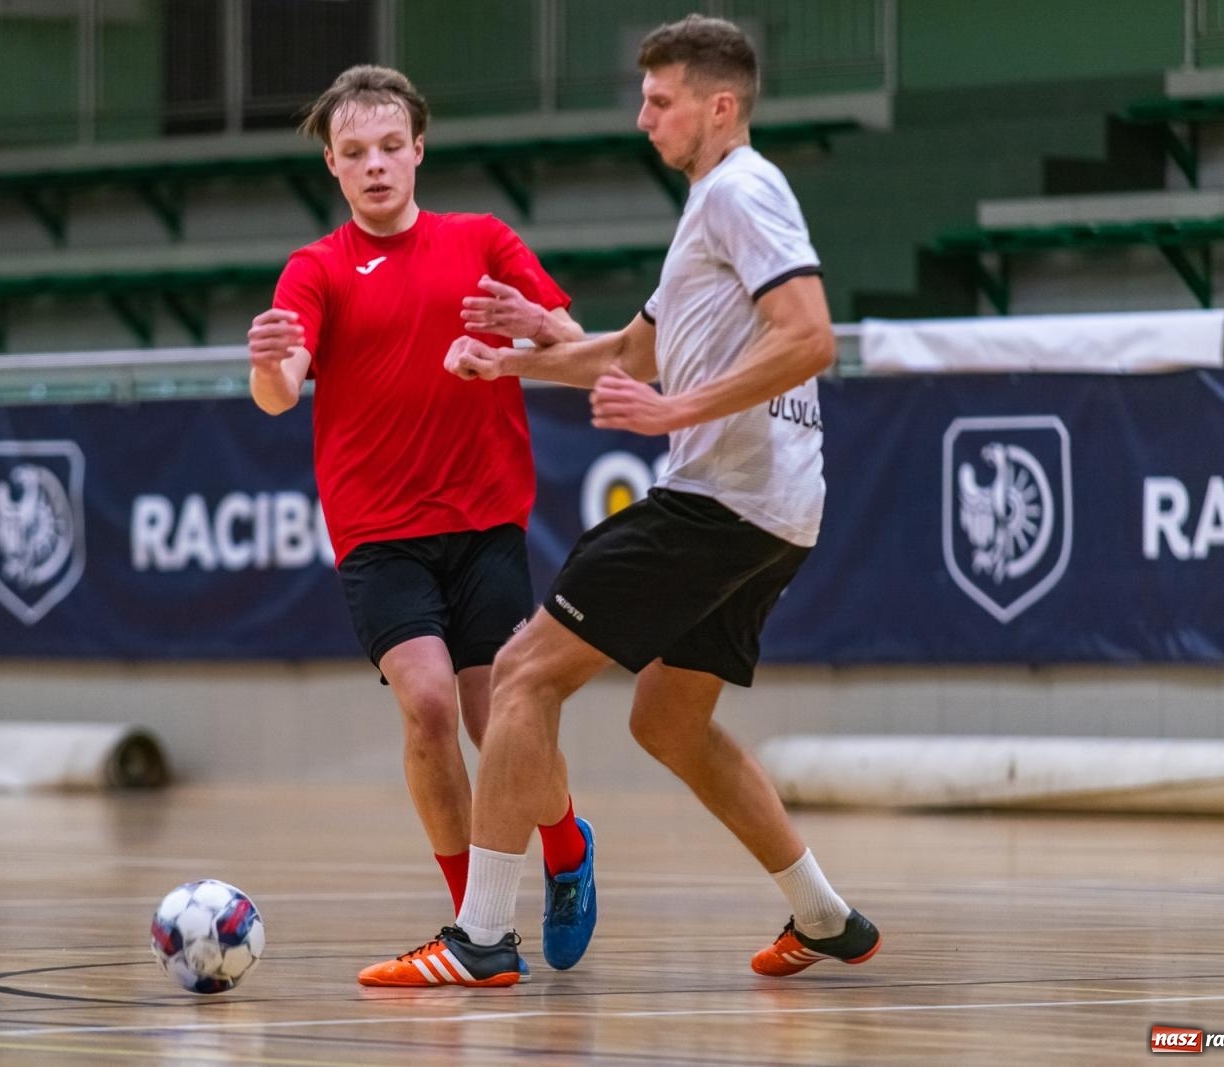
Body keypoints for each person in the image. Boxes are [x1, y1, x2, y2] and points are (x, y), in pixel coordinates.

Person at [358, 15, 880, 988]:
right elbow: (629, 351)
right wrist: (510, 360)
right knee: (666, 721)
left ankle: (478, 937)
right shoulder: (707, 213)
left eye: (661, 98)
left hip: (720, 498)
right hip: (775, 513)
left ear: (719, 106)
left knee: (519, 675)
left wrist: (675, 409)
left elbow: (809, 336)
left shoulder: (742, 190)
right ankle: (827, 916)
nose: (642, 116)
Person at [247, 65, 601, 978]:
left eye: (390, 148)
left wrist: (533, 326)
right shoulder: (316, 268)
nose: (375, 166)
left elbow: (580, 342)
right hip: (376, 529)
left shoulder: (481, 239)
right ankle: (472, 922)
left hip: (484, 519)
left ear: (418, 151)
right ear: (332, 163)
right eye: (355, 152)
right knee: (431, 705)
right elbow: (281, 391)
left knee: (503, 720)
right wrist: (271, 366)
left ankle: (566, 849)